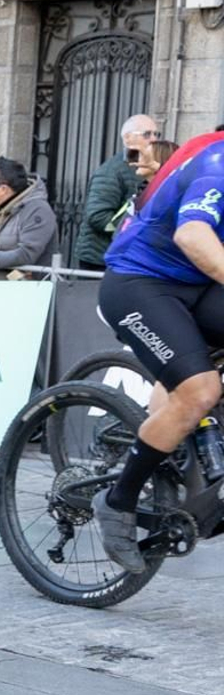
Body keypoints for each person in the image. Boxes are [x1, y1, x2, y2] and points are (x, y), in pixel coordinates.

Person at [93, 131, 224, 572]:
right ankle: (118, 499)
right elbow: (192, 235)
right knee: (199, 390)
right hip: (139, 283)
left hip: (197, 286)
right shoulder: (218, 165)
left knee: (190, 391)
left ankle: (195, 438)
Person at [76, 114, 161, 270]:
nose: (154, 139)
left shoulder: (145, 167)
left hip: (124, 256)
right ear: (127, 138)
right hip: (100, 260)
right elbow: (97, 216)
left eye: (157, 134)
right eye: (147, 134)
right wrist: (133, 229)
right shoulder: (112, 171)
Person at [0, 157, 58, 280]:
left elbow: (25, 255)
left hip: (30, 293)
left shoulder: (38, 210)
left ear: (3, 189)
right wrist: (3, 259)